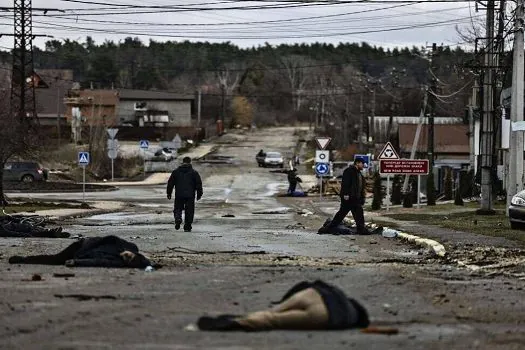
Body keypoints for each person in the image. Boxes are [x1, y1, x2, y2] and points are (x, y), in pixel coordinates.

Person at [197, 280, 369, 331]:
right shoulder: (350, 317)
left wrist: (283, 301)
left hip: (313, 293)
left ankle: (256, 315)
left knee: (273, 312)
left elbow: (305, 284)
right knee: (274, 320)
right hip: (325, 315)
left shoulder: (339, 294)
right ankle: (239, 323)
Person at [8, 235, 155, 269]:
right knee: (55, 259)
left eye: (127, 260)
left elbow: (99, 262)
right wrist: (87, 246)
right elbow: (110, 238)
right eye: (129, 256)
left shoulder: (118, 262)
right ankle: (23, 259)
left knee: (56, 261)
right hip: (83, 245)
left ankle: (22, 260)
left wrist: (77, 262)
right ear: (134, 254)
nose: (126, 257)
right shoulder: (129, 246)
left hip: (82, 254)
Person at [319, 157, 367, 234]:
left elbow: (360, 187)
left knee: (359, 214)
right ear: (357, 163)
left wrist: (362, 197)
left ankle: (361, 230)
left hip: (355, 198)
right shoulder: (349, 171)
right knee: (341, 214)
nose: (363, 165)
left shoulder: (359, 173)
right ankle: (328, 228)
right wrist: (346, 194)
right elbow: (345, 184)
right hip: (348, 198)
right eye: (362, 163)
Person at [167, 156, 203, 232]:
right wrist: (199, 194)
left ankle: (178, 218)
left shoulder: (176, 172)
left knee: (178, 208)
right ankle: (187, 226)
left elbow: (170, 183)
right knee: (189, 211)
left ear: (182, 162)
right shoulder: (194, 172)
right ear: (190, 162)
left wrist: (169, 193)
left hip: (179, 195)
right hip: (190, 195)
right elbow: (198, 184)